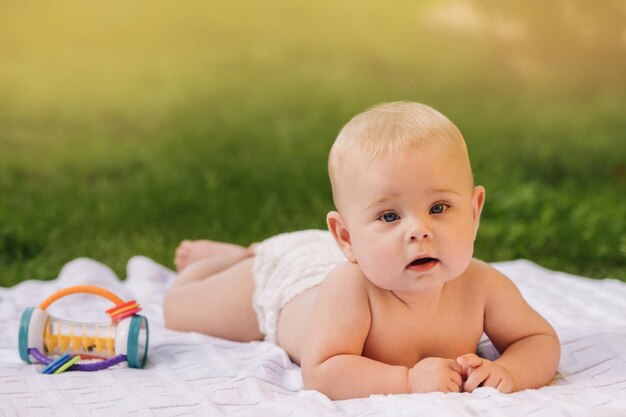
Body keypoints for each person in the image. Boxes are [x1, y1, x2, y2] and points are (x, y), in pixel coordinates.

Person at [163, 102, 560, 400]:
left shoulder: (482, 284)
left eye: (439, 208)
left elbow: (538, 340)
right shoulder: (349, 288)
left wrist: (508, 371)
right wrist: (406, 380)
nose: (419, 230)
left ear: (474, 212)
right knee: (178, 309)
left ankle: (246, 250)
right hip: (286, 281)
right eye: (389, 216)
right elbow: (323, 371)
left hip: (334, 255)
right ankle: (231, 258)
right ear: (347, 238)